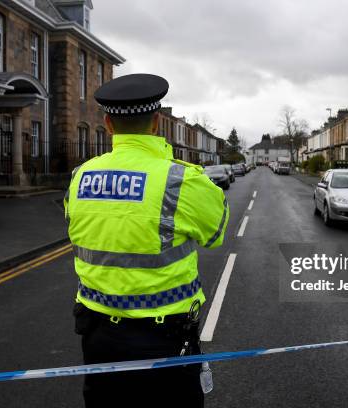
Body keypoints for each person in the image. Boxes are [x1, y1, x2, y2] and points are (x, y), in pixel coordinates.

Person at [64, 73, 229, 407]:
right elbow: (216, 234)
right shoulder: (180, 179)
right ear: (156, 123)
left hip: (97, 337)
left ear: (108, 124)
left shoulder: (80, 176)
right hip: (164, 340)